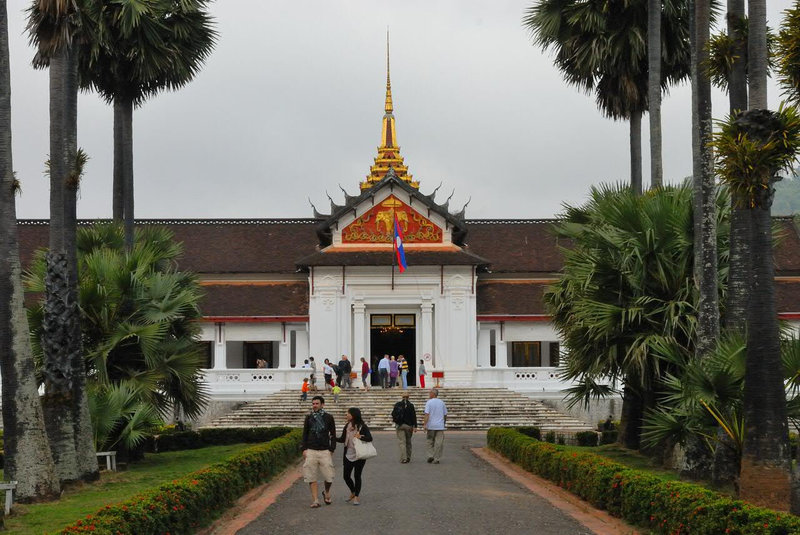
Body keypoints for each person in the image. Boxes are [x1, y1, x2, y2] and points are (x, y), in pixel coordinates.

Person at [301, 395, 337, 508]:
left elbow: (333, 434)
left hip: (324, 450)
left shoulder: (329, 417)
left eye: (317, 403)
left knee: (329, 476)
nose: (314, 406)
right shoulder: (309, 418)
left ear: (322, 404)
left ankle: (326, 492)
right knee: (311, 476)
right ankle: (315, 500)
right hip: (311, 449)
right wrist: (304, 448)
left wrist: (332, 448)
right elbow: (305, 434)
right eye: (313, 404)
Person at [336, 407, 373, 506]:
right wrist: (332, 438)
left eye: (348, 413)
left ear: (353, 415)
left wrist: (360, 436)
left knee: (357, 476)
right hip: (348, 454)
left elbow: (370, 438)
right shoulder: (347, 426)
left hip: (359, 455)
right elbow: (343, 439)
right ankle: (353, 491)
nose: (346, 415)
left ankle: (356, 496)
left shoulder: (362, 426)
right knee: (346, 476)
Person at [392, 392, 417, 463]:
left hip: (400, 425)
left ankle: (404, 458)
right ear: (408, 397)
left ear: (402, 397)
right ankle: (408, 457)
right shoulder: (411, 405)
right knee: (408, 442)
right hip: (409, 426)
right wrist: (415, 426)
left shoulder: (398, 404)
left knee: (402, 442)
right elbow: (413, 416)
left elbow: (393, 414)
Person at [423, 388, 447, 464]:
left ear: (433, 394)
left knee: (430, 441)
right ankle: (436, 458)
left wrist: (425, 424)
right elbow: (445, 414)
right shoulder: (442, 402)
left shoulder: (429, 402)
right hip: (440, 425)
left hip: (431, 425)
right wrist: (444, 422)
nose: (429, 394)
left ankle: (430, 455)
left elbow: (427, 414)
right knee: (439, 442)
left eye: (430, 393)